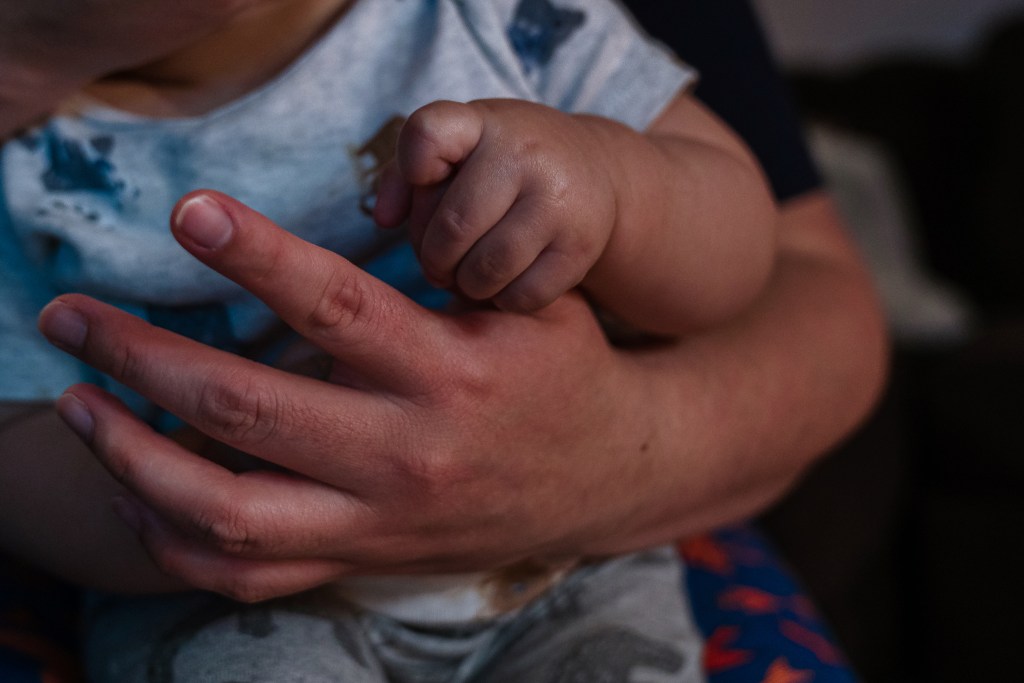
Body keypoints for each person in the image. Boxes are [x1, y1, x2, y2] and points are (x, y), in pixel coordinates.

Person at [0, 0, 889, 680]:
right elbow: (20, 433)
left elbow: (745, 256)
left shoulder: (494, 18)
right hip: (227, 607)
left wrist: (615, 185)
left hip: (567, 573)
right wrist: (176, 504)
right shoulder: (34, 150)